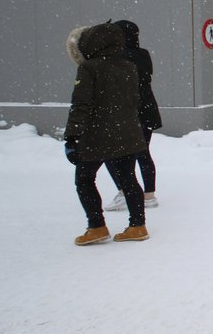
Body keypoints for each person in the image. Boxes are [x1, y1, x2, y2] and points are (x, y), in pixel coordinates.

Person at [64, 23, 150, 245]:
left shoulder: (89, 68)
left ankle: (97, 226)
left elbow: (80, 105)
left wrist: (72, 137)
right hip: (128, 132)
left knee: (84, 179)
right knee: (129, 178)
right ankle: (138, 225)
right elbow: (134, 100)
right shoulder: (128, 66)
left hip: (97, 136)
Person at [105, 20, 162, 211]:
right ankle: (149, 195)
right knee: (143, 153)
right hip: (147, 109)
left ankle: (123, 191)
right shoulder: (143, 55)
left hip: (128, 111)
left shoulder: (116, 57)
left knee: (111, 154)